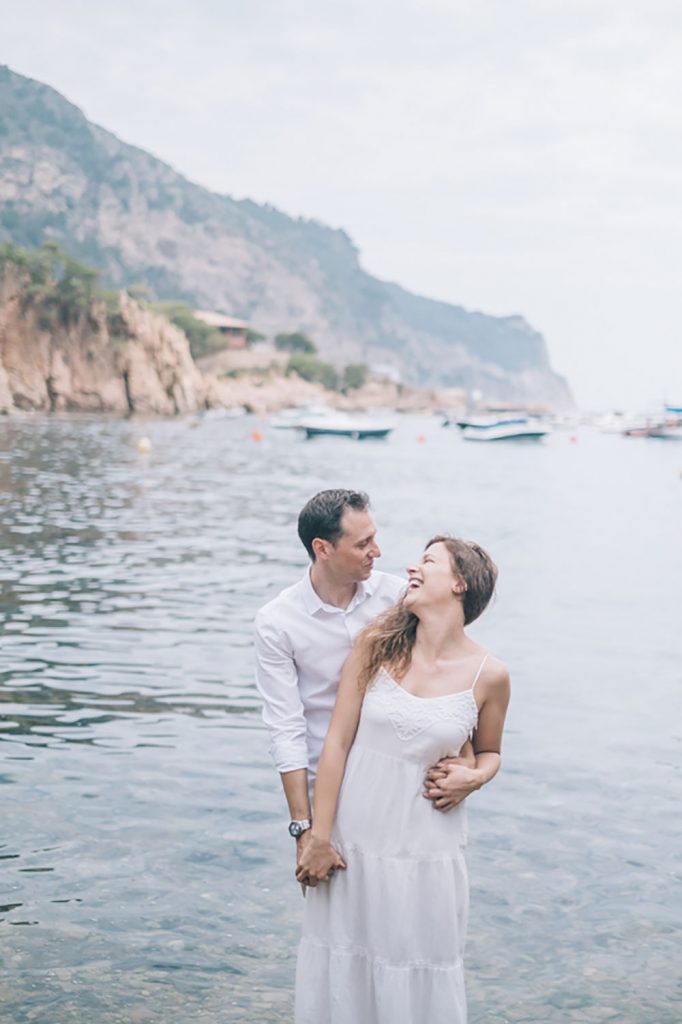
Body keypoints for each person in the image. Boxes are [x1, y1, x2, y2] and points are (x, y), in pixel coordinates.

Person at [294, 535, 511, 1024]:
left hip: (426, 854)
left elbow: (492, 752)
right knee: (344, 965)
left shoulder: (489, 675)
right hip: (354, 846)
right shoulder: (376, 645)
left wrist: (474, 777)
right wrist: (318, 835)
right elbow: (336, 744)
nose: (411, 567)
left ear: (459, 583)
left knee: (416, 971)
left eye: (428, 561)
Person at [254, 490, 477, 879]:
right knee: (339, 914)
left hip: (402, 781)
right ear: (322, 549)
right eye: (363, 544)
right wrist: (304, 830)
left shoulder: (398, 598)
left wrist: (470, 767)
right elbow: (286, 728)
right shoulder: (277, 622)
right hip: (330, 793)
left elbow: (446, 677)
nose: (377, 551)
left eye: (374, 537)